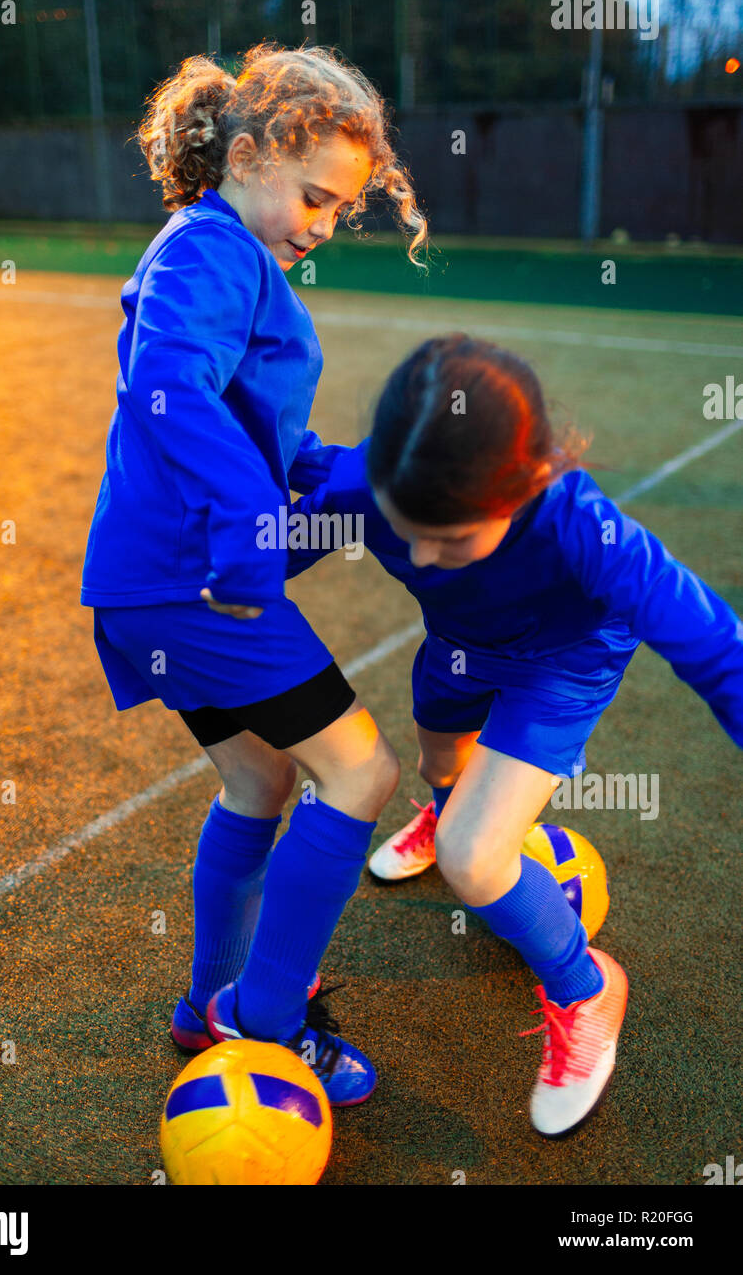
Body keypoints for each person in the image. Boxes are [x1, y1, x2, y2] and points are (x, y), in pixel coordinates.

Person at [79, 41, 428, 1105]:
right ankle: (270, 1019)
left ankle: (207, 1007)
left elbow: (258, 431)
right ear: (245, 155)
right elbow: (167, 390)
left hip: (152, 587)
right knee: (361, 776)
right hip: (196, 586)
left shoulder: (221, 250)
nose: (321, 226)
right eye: (313, 197)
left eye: (339, 210)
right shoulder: (211, 250)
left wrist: (374, 479)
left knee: (259, 778)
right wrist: (246, 536)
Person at [284, 333, 743, 1135]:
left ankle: (584, 988)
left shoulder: (584, 529)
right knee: (437, 760)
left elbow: (712, 646)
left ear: (528, 484)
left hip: (560, 669)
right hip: (457, 650)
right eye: (406, 527)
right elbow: (290, 535)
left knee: (473, 855)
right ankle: (444, 809)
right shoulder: (370, 481)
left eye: (452, 539)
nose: (425, 553)